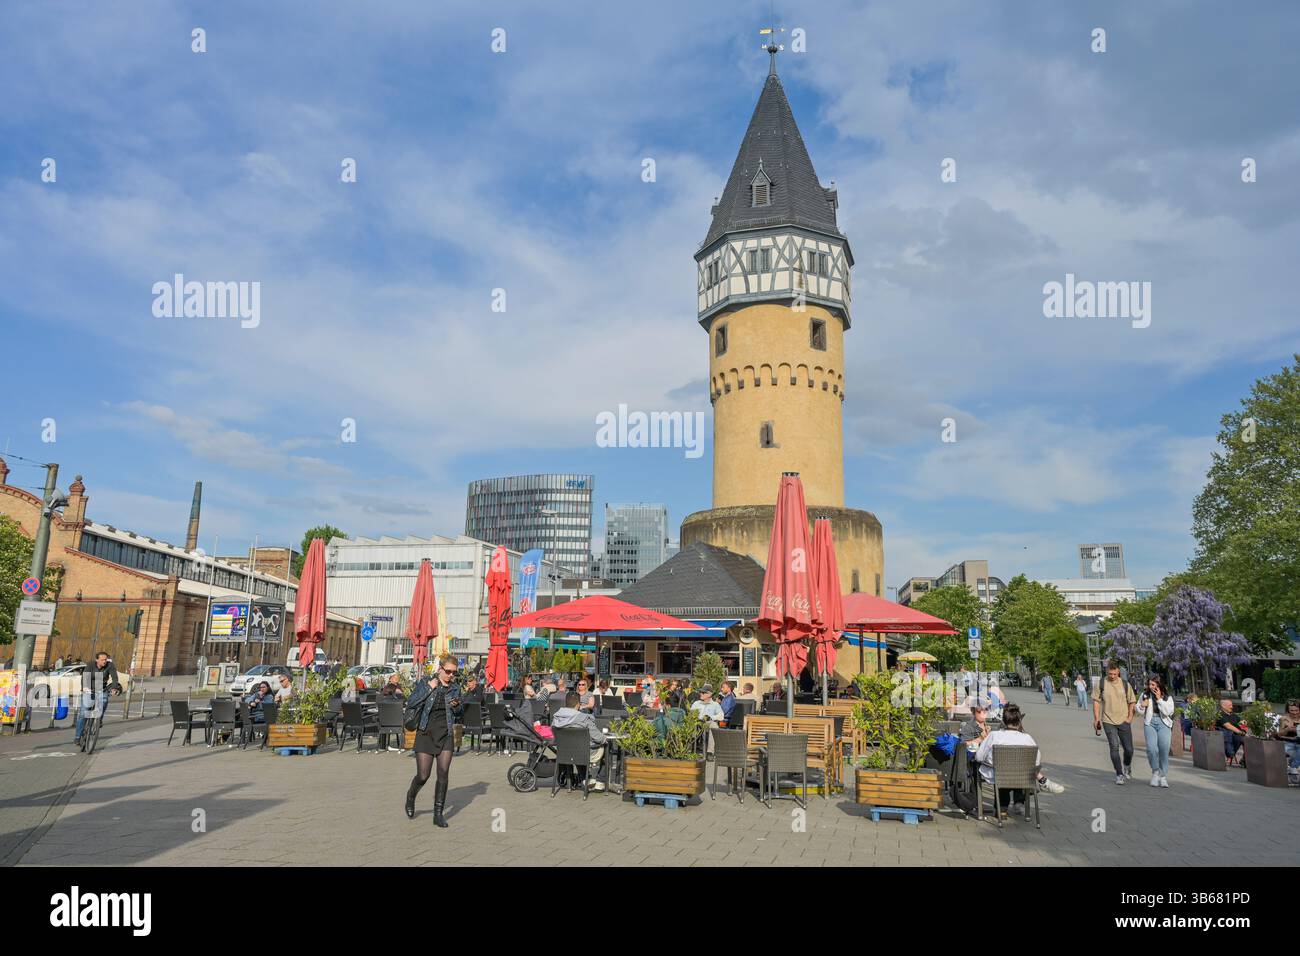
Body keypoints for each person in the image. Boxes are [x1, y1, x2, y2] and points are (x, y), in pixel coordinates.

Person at [404, 653, 464, 828]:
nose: (451, 676)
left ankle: (438, 814)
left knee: (443, 773)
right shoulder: (425, 683)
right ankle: (411, 796)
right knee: (423, 775)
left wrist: (457, 706)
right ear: (440, 669)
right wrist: (429, 688)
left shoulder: (455, 688)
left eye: (454, 673)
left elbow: (460, 713)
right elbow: (412, 702)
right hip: (425, 732)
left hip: (445, 733)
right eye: (448, 671)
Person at [975, 704, 1041, 816]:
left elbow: (979, 757)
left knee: (1000, 770)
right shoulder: (1027, 738)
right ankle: (1019, 802)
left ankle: (1002, 809)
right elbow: (1036, 761)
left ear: (1003, 721)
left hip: (1000, 775)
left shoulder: (994, 735)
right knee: (1016, 770)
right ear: (1019, 722)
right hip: (1021, 777)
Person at [551, 691, 606, 790]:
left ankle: (584, 778)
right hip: (583, 753)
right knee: (606, 745)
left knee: (577, 745)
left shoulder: (556, 718)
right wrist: (605, 738)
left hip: (564, 753)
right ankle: (600, 781)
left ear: (566, 704)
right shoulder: (584, 718)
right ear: (578, 704)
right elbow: (598, 738)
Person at [1092, 661, 1136, 784]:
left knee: (1129, 750)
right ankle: (1119, 774)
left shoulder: (1125, 684)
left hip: (1123, 720)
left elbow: (1132, 701)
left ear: (1118, 673)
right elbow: (1096, 701)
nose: (1112, 676)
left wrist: (1130, 717)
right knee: (1114, 747)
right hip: (1108, 720)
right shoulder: (1101, 683)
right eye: (1110, 674)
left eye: (1114, 674)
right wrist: (1096, 719)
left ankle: (1127, 765)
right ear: (1107, 672)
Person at [74, 651, 122, 747]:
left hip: (101, 689)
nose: (104, 661)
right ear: (97, 660)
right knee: (83, 713)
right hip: (89, 689)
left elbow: (115, 678)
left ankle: (99, 719)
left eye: (105, 659)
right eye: (102, 660)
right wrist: (85, 688)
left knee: (104, 699)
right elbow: (85, 677)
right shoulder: (90, 665)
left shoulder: (110, 665)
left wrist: (114, 688)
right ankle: (78, 737)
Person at [1137, 675, 1175, 788]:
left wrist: (1159, 699)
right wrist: (1142, 706)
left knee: (1164, 749)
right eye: (1149, 684)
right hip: (1150, 722)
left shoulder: (1167, 697)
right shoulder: (1145, 695)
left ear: (1159, 685)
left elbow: (1168, 712)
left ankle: (1163, 776)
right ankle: (1155, 772)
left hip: (1164, 723)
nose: (1151, 686)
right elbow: (1138, 709)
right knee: (1151, 748)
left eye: (1153, 684)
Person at [1215, 699, 1247, 765]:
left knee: (1249, 741)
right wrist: (1241, 732)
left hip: (1236, 734)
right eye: (1230, 705)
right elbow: (1228, 726)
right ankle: (1231, 754)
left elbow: (1240, 720)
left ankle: (1244, 760)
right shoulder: (1220, 715)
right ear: (1223, 706)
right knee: (1244, 740)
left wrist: (1244, 721)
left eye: (1231, 705)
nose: (1232, 707)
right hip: (1229, 734)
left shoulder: (1232, 714)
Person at [1273, 699, 1300, 770]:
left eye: (1296, 710)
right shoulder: (1284, 719)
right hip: (1287, 743)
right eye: (1292, 711)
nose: (1294, 713)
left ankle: (1293, 768)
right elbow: (1278, 734)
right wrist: (1287, 729)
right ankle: (1293, 769)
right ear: (1288, 710)